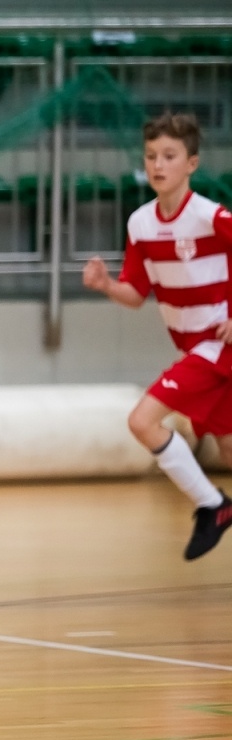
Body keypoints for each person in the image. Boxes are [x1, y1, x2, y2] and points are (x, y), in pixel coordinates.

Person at [83, 112, 232, 560]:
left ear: (192, 164)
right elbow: (136, 293)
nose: (158, 165)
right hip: (194, 348)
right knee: (228, 447)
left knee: (141, 421)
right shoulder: (140, 224)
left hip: (216, 347)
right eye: (150, 156)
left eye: (169, 156)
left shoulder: (212, 216)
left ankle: (213, 506)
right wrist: (107, 285)